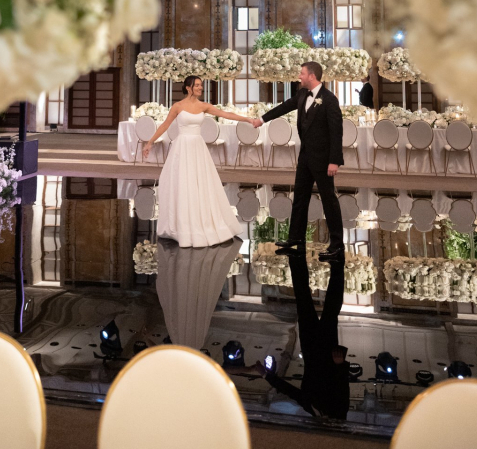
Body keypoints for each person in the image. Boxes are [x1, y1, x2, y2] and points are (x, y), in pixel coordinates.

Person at [143, 75, 259, 248]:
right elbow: (165, 125)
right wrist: (150, 142)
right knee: (183, 183)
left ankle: (201, 221)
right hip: (182, 147)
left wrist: (248, 119)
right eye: (197, 85)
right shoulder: (178, 106)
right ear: (188, 87)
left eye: (201, 85)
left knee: (200, 183)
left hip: (197, 147)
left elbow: (226, 114)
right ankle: (181, 225)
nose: (200, 88)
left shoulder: (204, 106)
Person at [253, 61, 344, 260]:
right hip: (305, 157)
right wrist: (262, 119)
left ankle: (337, 244)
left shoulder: (329, 100)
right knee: (300, 197)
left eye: (302, 73)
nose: (299, 76)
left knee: (329, 200)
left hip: (323, 159)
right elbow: (284, 107)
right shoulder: (303, 94)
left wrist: (334, 161)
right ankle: (295, 237)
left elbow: (336, 132)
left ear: (312, 76)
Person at [257, 252, 349, 420]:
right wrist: (340, 366)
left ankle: (296, 256)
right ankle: (337, 263)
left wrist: (266, 375)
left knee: (303, 299)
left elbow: (290, 391)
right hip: (328, 352)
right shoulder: (337, 413)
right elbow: (343, 391)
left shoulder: (310, 407)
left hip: (309, 347)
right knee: (331, 307)